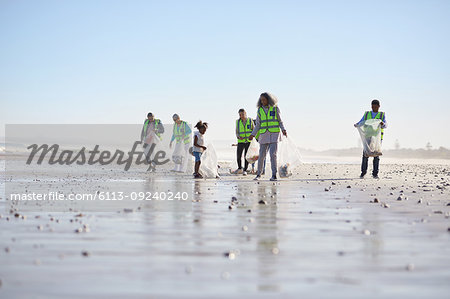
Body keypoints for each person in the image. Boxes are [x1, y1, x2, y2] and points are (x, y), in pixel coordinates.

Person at [249, 92, 287, 181]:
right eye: (261, 100)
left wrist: (283, 129)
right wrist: (252, 134)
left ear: (268, 100)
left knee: (273, 155)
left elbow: (280, 121)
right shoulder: (260, 110)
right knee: (261, 155)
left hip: (274, 135)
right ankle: (259, 174)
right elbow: (258, 125)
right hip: (263, 136)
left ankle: (274, 175)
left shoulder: (275, 109)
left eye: (264, 100)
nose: (262, 102)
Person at [354, 99, 387, 179]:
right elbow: (362, 121)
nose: (374, 108)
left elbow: (385, 125)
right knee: (366, 154)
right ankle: (363, 173)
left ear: (379, 106)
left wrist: (383, 124)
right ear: (371, 106)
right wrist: (357, 124)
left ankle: (375, 174)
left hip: (377, 138)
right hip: (368, 137)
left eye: (376, 106)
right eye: (373, 106)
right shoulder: (367, 114)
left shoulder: (382, 115)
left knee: (376, 155)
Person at [231, 109, 254, 175]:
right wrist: (238, 136)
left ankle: (245, 170)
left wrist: (252, 136)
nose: (241, 116)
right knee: (238, 156)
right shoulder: (237, 122)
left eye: (242, 114)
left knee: (246, 156)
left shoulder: (250, 120)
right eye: (240, 114)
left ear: (245, 113)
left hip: (248, 141)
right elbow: (237, 131)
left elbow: (254, 129)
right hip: (241, 141)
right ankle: (239, 168)